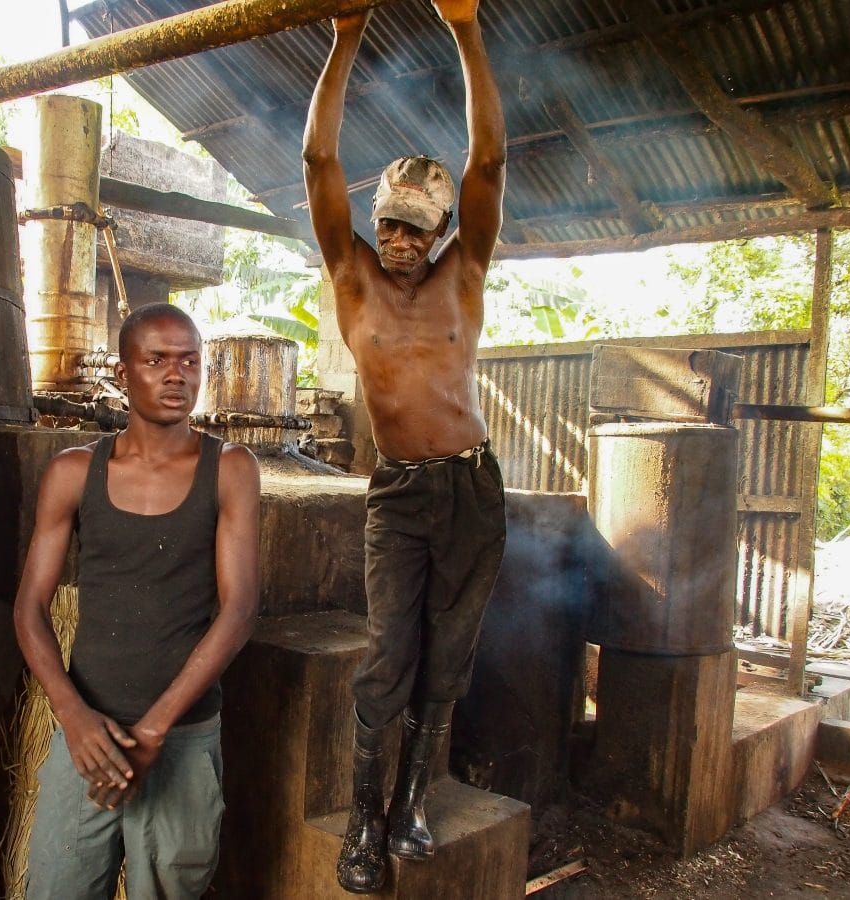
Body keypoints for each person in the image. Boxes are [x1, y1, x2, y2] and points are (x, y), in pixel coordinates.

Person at [302, 0, 507, 892]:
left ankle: (413, 802)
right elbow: (317, 158)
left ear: (440, 233)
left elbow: (490, 160)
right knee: (390, 656)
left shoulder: (464, 274)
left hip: (473, 490)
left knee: (449, 653)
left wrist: (465, 28)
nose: (397, 242)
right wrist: (345, 38)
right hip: (399, 495)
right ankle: (362, 823)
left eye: (415, 229)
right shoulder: (352, 278)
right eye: (387, 223)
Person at [13, 302, 261, 900]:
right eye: (156, 360)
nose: (177, 376)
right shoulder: (74, 471)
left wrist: (154, 730)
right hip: (87, 738)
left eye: (190, 362)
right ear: (123, 374)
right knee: (56, 887)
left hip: (181, 735)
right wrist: (72, 717)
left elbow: (239, 611)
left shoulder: (229, 468)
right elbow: (29, 609)